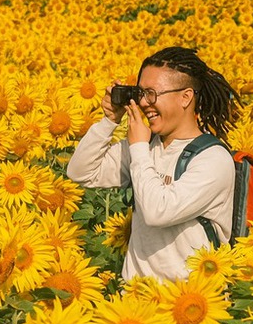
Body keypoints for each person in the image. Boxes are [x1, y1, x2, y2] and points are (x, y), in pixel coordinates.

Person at [65, 45, 242, 282]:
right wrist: (109, 121)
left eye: (152, 94)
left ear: (185, 97)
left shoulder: (213, 159)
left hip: (189, 302)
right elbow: (80, 172)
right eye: (140, 94)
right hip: (137, 300)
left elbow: (158, 212)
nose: (144, 103)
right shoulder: (146, 147)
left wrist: (138, 147)